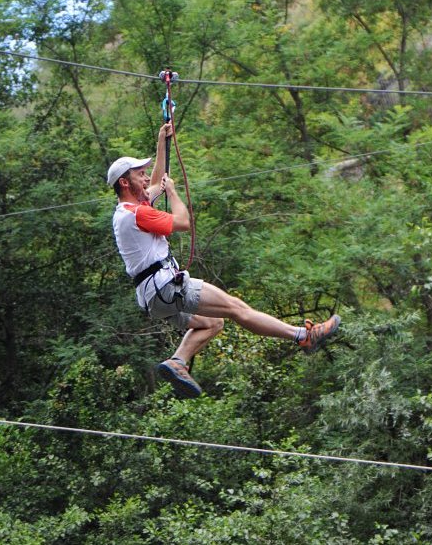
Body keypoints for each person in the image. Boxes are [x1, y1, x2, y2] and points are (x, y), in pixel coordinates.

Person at [108, 123, 340, 399]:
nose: (147, 179)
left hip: (153, 298)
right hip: (166, 286)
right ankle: (303, 335)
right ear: (125, 182)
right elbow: (183, 222)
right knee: (235, 307)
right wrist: (172, 193)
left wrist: (162, 141)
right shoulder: (138, 214)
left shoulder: (127, 211)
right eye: (140, 175)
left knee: (213, 322)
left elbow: (157, 181)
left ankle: (177, 361)